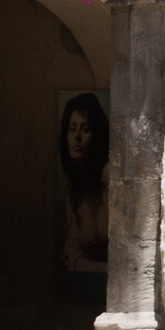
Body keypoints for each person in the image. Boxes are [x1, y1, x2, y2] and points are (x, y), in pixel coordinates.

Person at [58, 92, 109, 271]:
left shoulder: (108, 177)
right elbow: (70, 258)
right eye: (72, 129)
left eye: (85, 129)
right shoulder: (74, 194)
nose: (77, 137)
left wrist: (82, 264)